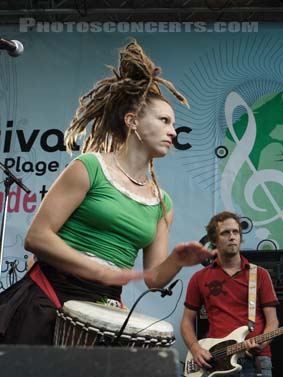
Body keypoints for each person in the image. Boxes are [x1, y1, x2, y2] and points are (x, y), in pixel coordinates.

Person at [0, 41, 217, 345]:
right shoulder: (89, 168)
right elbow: (37, 237)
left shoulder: (161, 202)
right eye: (164, 120)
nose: (173, 131)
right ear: (132, 122)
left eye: (174, 124)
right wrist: (98, 270)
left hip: (104, 307)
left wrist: (177, 261)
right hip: (48, 296)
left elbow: (153, 278)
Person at [181, 211, 279, 377]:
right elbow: (186, 322)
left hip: (257, 363)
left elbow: (273, 322)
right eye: (225, 233)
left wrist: (261, 343)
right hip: (217, 365)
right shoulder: (200, 278)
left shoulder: (260, 275)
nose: (232, 236)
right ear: (214, 240)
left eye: (236, 232)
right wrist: (195, 349)